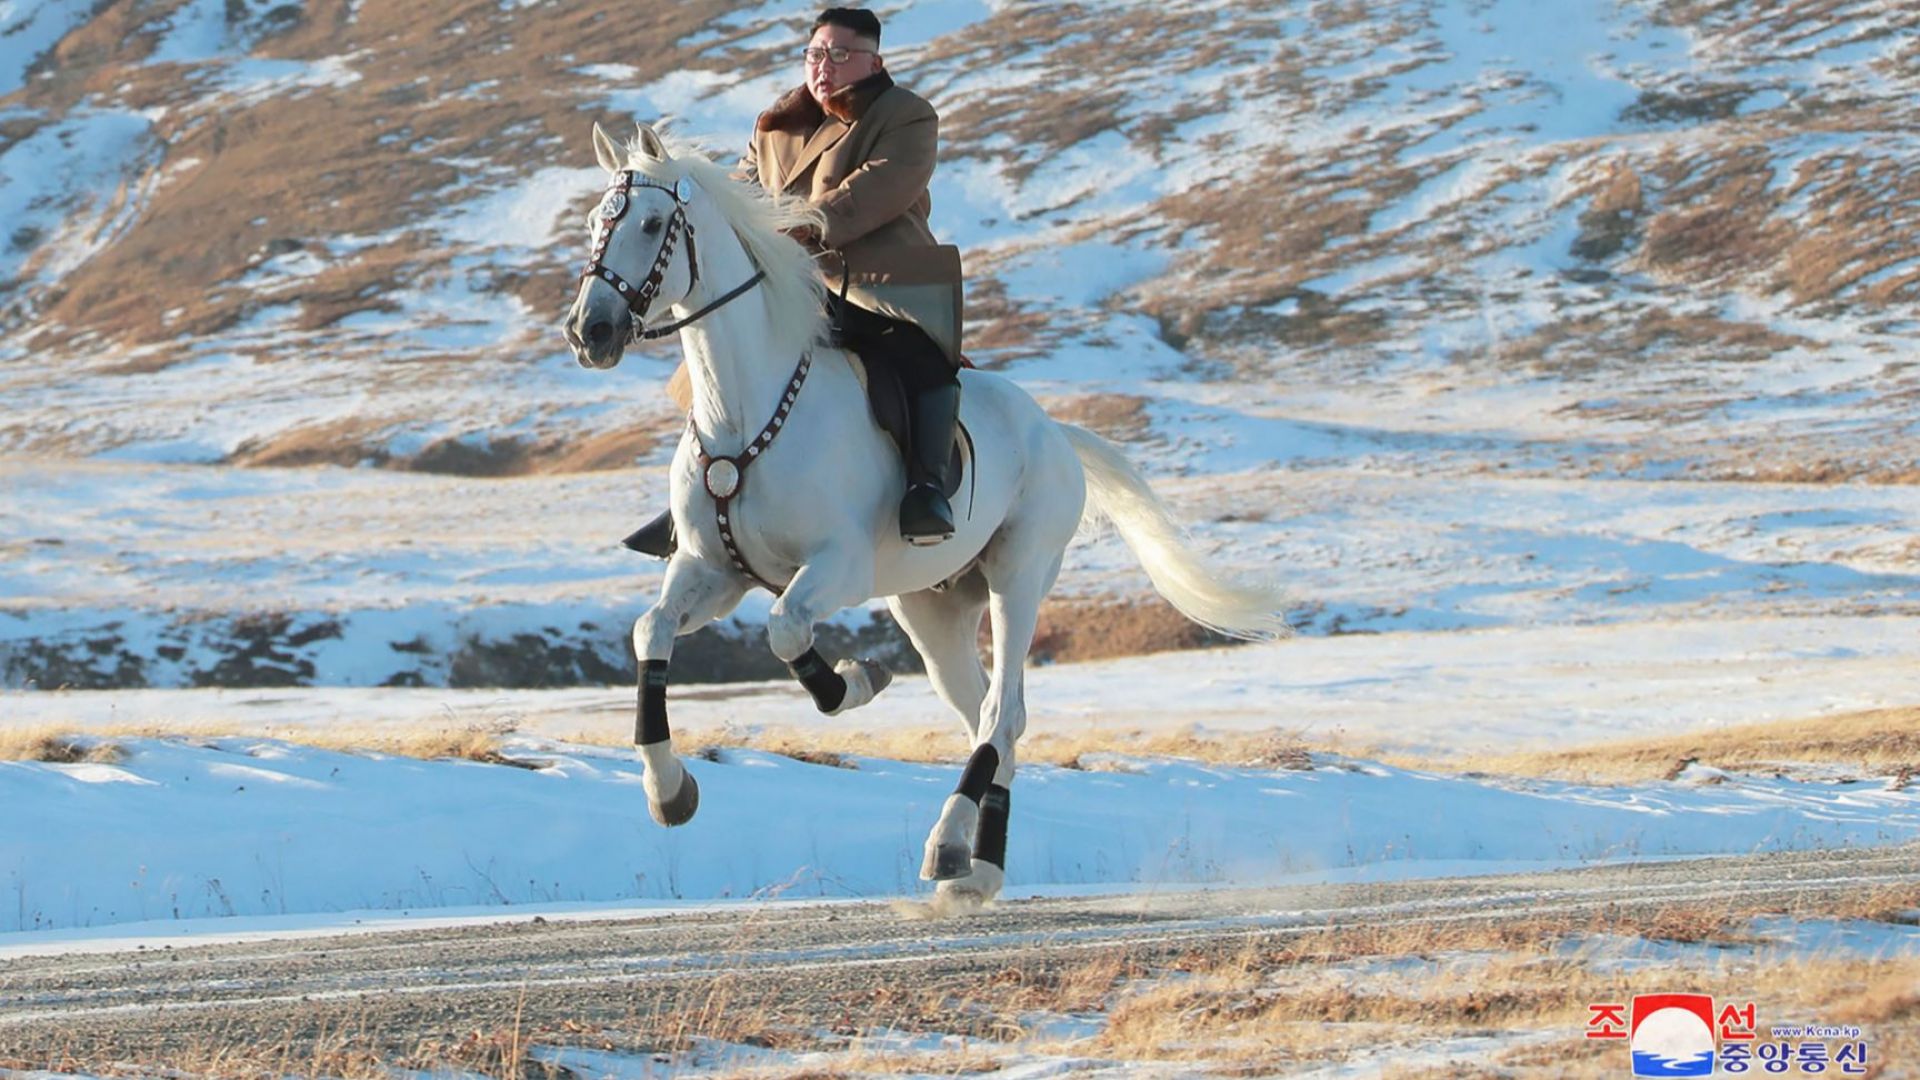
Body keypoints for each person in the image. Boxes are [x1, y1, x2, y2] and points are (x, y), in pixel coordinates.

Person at [623, 6, 965, 558]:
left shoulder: (906, 116)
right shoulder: (774, 124)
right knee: (718, 364)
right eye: (814, 54)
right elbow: (742, 192)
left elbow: (876, 189)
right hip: (792, 285)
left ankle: (926, 489)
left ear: (873, 61)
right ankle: (701, 495)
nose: (822, 66)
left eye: (838, 55)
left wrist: (799, 226)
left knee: (920, 363)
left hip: (876, 284)